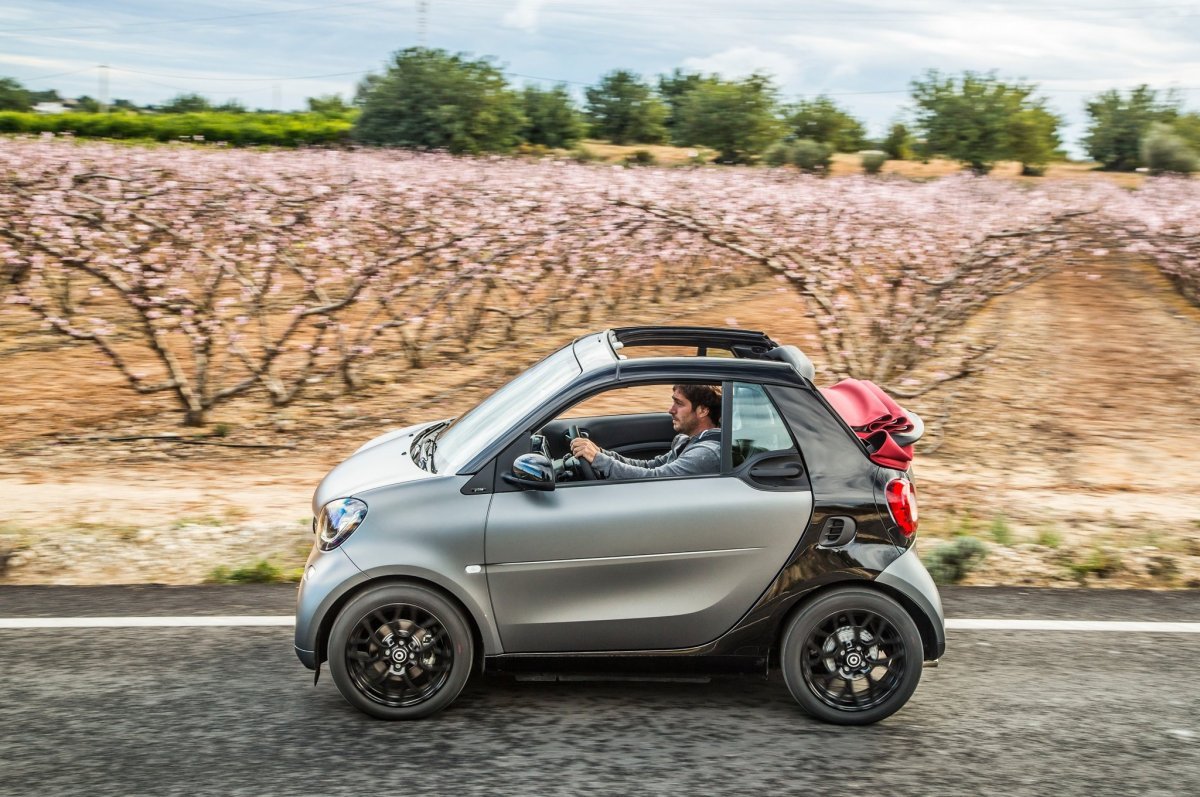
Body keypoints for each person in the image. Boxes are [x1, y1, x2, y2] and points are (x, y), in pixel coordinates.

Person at [569, 384, 722, 480]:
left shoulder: (706, 453)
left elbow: (654, 479)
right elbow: (649, 466)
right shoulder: (687, 441)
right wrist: (600, 453)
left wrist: (597, 459)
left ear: (702, 411)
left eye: (679, 403)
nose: (671, 410)